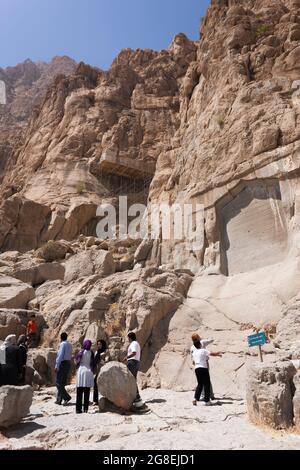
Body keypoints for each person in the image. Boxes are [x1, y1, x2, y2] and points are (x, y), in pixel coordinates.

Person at [191, 339, 221, 406]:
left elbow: (193, 362)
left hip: (197, 369)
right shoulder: (203, 350)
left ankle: (195, 398)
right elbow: (211, 354)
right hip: (203, 368)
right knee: (206, 384)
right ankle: (207, 401)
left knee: (200, 384)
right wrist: (218, 354)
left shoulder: (194, 352)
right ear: (199, 344)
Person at [190, 333, 215, 400]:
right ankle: (208, 395)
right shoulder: (202, 342)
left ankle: (206, 395)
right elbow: (210, 340)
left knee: (201, 381)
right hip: (204, 363)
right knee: (206, 380)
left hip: (197, 364)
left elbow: (192, 357)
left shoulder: (192, 346)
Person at [75, 339, 95, 414]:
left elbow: (77, 360)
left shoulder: (81, 352)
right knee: (87, 391)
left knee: (79, 391)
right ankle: (86, 409)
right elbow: (93, 363)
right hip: (89, 371)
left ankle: (78, 409)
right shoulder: (91, 353)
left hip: (81, 370)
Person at [55, 332, 72, 406]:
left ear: (61, 338)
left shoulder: (62, 344)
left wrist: (57, 365)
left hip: (63, 363)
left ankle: (67, 397)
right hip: (68, 363)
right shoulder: (69, 344)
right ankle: (59, 400)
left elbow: (60, 355)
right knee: (62, 383)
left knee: (58, 383)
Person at [124, 332, 141, 404]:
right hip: (136, 362)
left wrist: (127, 357)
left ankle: (136, 396)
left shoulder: (133, 344)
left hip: (132, 362)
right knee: (133, 379)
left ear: (130, 338)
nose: (128, 339)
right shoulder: (137, 343)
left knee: (131, 379)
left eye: (128, 338)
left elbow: (134, 353)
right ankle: (136, 395)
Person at [93, 339, 108, 405]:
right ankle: (95, 400)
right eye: (98, 344)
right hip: (98, 370)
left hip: (104, 371)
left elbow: (107, 359)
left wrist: (103, 361)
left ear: (103, 344)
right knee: (95, 384)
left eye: (100, 344)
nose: (99, 345)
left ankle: (107, 399)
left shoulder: (106, 351)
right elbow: (94, 361)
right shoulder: (96, 352)